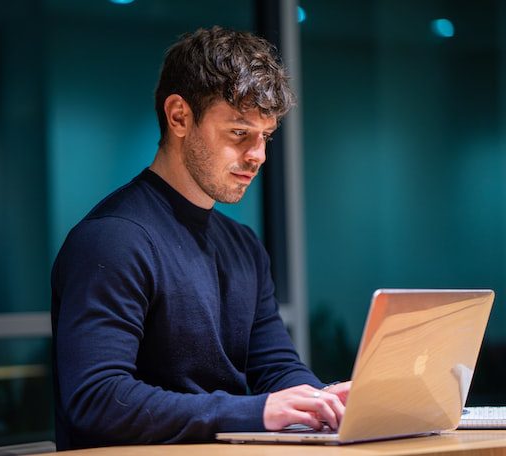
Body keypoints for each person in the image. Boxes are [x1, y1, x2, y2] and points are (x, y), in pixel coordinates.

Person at [51, 26, 350, 450]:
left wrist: (322, 400)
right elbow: (98, 398)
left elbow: (277, 368)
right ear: (179, 117)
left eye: (266, 136)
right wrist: (255, 412)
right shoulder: (113, 240)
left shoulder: (243, 247)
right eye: (239, 133)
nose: (258, 155)